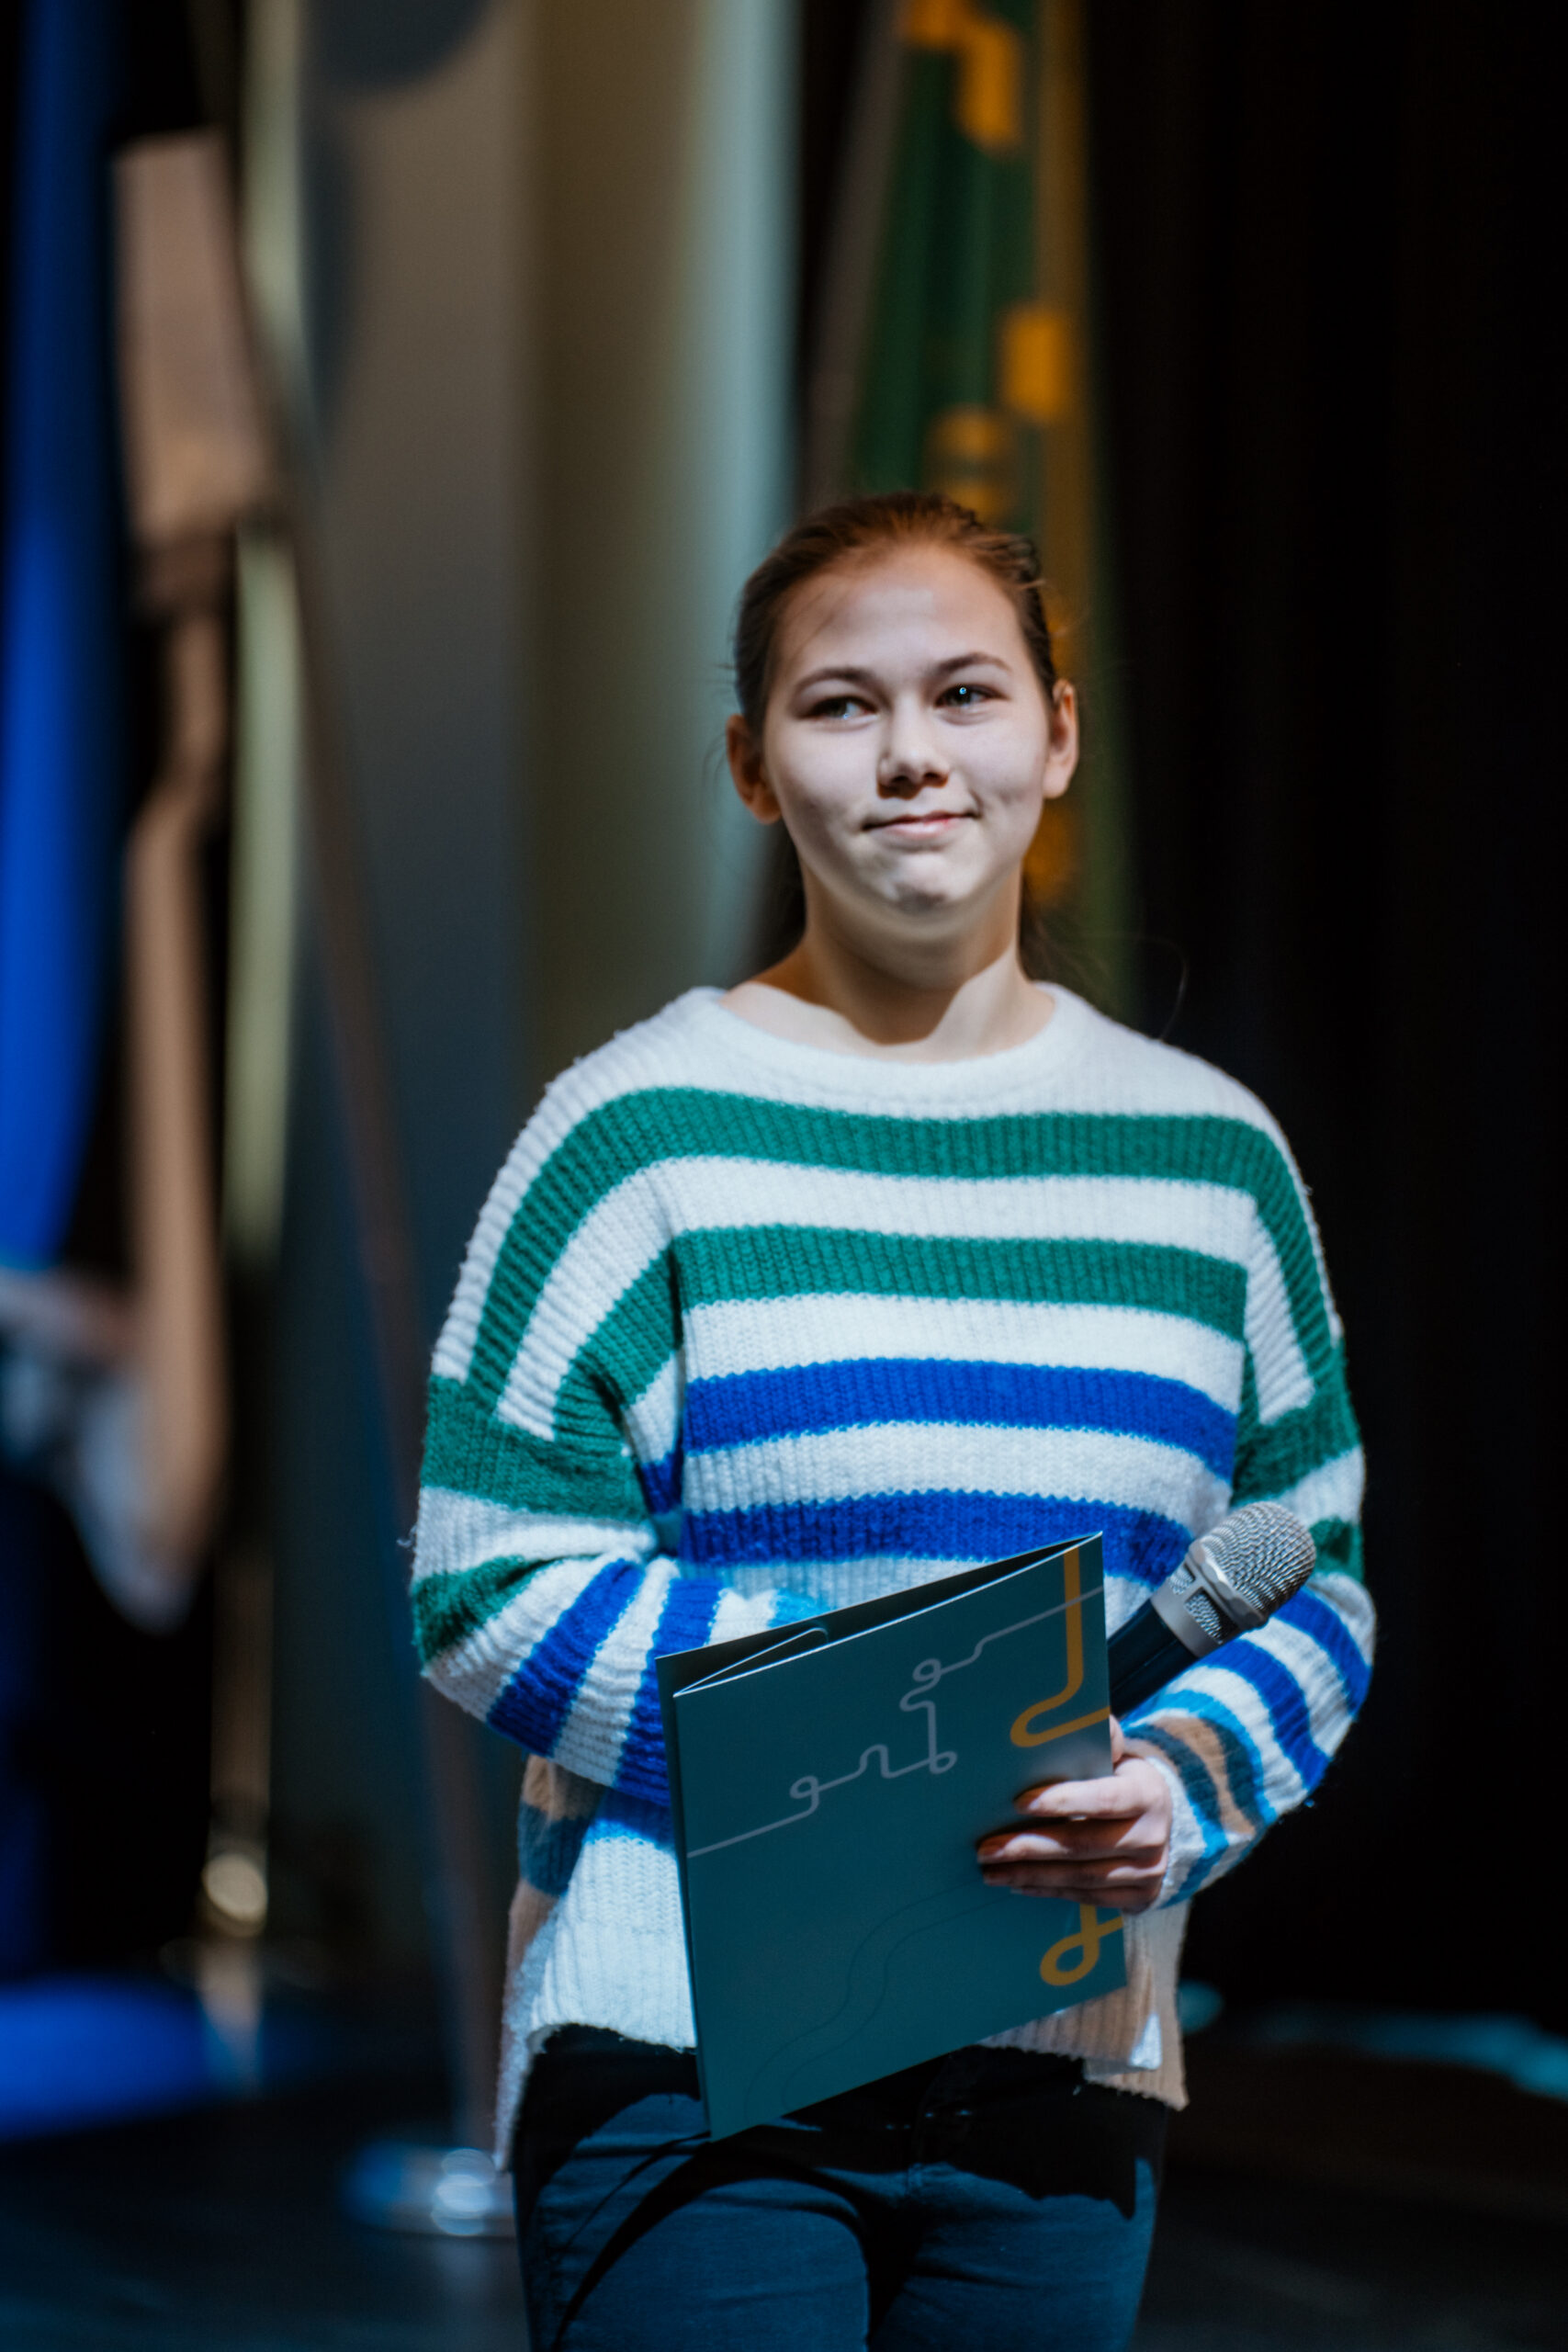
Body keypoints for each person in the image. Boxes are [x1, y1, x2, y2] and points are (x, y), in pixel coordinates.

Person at [412, 492, 1373, 2350]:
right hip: (688, 2053)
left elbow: (1308, 1575)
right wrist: (888, 1730)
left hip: (1058, 2066)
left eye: (966, 693)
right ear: (750, 766)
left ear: (1058, 734)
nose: (912, 752)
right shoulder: (631, 1134)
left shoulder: (1212, 1160)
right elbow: (484, 1578)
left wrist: (1179, 1784)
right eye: (840, 704)